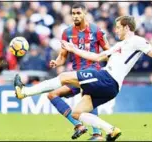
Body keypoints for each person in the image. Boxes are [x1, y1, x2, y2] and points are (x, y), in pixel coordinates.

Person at [14, 16, 152, 141]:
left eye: (118, 27)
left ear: (126, 27)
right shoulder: (119, 46)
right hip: (110, 87)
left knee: (64, 77)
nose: (116, 30)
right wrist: (73, 49)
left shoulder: (137, 41)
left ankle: (24, 92)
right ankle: (111, 130)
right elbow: (98, 57)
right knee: (77, 113)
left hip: (108, 79)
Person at [17, 3, 110, 141]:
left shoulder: (97, 31)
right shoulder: (67, 32)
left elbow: (109, 52)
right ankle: (78, 126)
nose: (75, 16)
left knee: (88, 95)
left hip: (92, 72)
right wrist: (57, 62)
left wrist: (107, 67)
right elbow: (63, 56)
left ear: (84, 13)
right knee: (53, 95)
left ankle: (97, 134)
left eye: (78, 13)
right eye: (73, 13)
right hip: (75, 74)